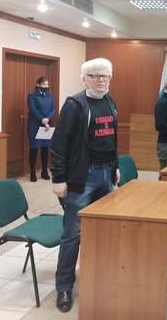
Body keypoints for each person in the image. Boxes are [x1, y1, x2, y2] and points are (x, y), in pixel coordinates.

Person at [51, 58, 119, 312]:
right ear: (84, 78)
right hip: (83, 177)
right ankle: (64, 287)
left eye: (105, 76)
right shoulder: (74, 105)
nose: (101, 80)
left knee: (102, 229)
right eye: (94, 75)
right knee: (73, 233)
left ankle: (97, 277)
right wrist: (59, 178)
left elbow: (112, 138)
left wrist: (115, 166)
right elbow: (59, 145)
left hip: (106, 174)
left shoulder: (110, 102)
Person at [27, 77, 55, 182]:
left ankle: (44, 171)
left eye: (47, 84)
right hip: (35, 125)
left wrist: (48, 118)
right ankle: (32, 172)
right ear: (38, 85)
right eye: (44, 84)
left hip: (46, 125)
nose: (46, 86)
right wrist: (42, 119)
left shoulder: (50, 96)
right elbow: (33, 109)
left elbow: (53, 109)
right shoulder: (32, 96)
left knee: (45, 148)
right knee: (34, 148)